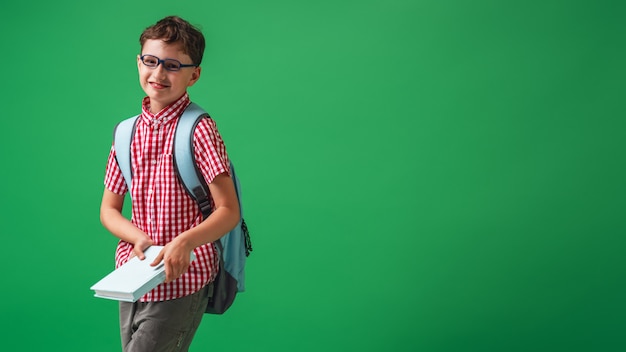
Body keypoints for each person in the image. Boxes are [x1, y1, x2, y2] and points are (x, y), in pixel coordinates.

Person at [100, 16, 240, 352]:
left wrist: (186, 242)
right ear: (139, 62)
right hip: (134, 277)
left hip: (183, 279)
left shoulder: (199, 129)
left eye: (173, 65)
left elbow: (228, 210)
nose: (159, 74)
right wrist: (137, 237)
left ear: (194, 74)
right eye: (151, 61)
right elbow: (109, 210)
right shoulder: (125, 133)